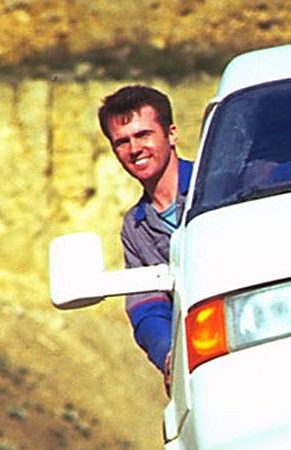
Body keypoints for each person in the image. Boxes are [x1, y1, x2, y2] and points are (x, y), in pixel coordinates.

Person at [98, 85, 191, 375]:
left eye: (143, 135)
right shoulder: (135, 228)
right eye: (121, 142)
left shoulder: (221, 182)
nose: (134, 149)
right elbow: (146, 308)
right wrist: (167, 356)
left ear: (171, 134)